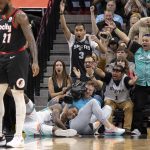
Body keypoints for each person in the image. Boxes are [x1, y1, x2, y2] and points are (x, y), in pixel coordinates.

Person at [0, 0, 39, 148]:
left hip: (17, 57)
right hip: (1, 57)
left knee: (17, 95)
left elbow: (31, 40)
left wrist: (35, 61)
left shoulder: (20, 15)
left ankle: (18, 136)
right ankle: (0, 136)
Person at [107, 21, 150, 135]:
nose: (144, 42)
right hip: (140, 83)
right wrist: (115, 29)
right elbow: (126, 38)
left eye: (146, 41)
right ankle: (137, 129)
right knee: (138, 107)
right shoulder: (137, 49)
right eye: (143, 40)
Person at [59, 0, 106, 82]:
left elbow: (103, 51)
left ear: (85, 31)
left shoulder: (89, 39)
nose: (78, 32)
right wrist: (61, 13)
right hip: (74, 76)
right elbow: (64, 28)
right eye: (76, 30)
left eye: (81, 30)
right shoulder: (72, 39)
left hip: (88, 75)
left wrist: (98, 41)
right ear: (74, 32)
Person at [94, 64, 137, 133]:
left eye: (117, 71)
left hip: (124, 101)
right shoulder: (109, 76)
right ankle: (108, 128)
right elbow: (102, 73)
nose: (114, 73)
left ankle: (127, 128)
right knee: (108, 105)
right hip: (111, 100)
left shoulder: (125, 78)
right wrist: (95, 68)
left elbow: (130, 82)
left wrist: (133, 81)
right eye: (113, 70)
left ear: (122, 73)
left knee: (130, 105)